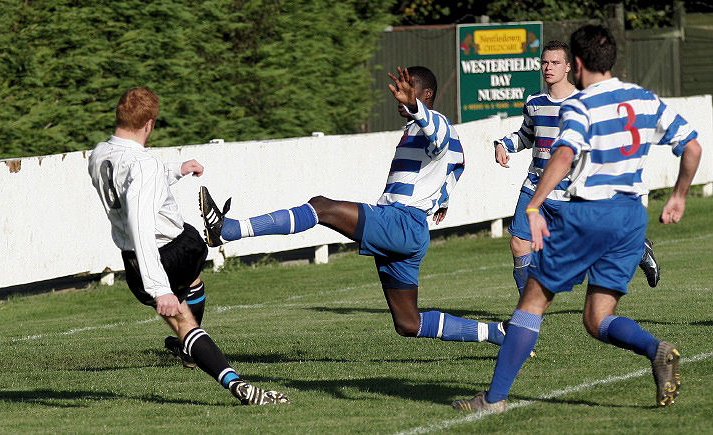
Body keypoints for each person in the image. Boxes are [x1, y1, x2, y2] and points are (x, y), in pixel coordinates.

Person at [453, 25, 701, 413]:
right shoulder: (644, 98)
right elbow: (693, 146)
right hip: (631, 217)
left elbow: (564, 155)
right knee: (597, 317)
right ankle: (657, 349)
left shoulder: (580, 105)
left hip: (589, 212)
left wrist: (534, 204)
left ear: (578, 63)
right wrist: (679, 195)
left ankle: (493, 399)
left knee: (532, 302)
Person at [200, 66, 508, 349]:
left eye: (409, 88)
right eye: (400, 88)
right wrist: (442, 200)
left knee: (322, 207)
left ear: (426, 96)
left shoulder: (437, 122)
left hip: (401, 223)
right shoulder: (417, 131)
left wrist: (416, 108)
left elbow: (438, 136)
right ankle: (495, 333)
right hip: (408, 231)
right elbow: (456, 164)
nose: (400, 93)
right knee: (408, 323)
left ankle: (229, 229)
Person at [88, 87, 289, 405]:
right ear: (149, 124)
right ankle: (236, 385)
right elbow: (141, 220)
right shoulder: (144, 163)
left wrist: (175, 171)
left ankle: (192, 353)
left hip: (133, 260)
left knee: (188, 307)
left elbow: (131, 188)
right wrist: (160, 288)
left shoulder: (99, 154)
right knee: (185, 311)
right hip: (168, 251)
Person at [494, 40, 660, 294]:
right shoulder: (534, 101)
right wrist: (504, 144)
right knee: (519, 243)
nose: (548, 68)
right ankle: (526, 309)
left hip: (573, 192)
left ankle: (638, 249)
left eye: (555, 63)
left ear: (568, 67)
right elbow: (527, 136)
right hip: (535, 187)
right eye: (545, 62)